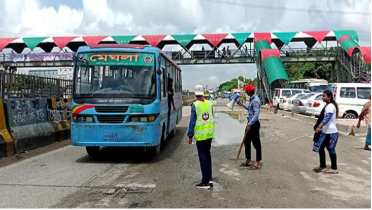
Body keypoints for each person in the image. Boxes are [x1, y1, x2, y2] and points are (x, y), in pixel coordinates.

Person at [187, 84, 214, 189]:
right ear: (203, 92)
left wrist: (190, 135)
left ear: (195, 93)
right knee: (208, 155)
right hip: (209, 134)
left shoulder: (195, 105)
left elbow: (192, 121)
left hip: (201, 136)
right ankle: (209, 178)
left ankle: (205, 182)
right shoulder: (209, 103)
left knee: (203, 157)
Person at [313, 90, 339, 174]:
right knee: (320, 148)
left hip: (331, 132)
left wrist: (319, 126)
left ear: (329, 97)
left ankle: (334, 168)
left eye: (324, 96)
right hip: (326, 131)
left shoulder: (330, 106)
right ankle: (322, 165)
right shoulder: (328, 105)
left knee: (331, 149)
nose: (322, 97)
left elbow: (327, 117)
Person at [237, 84, 261, 170]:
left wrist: (249, 124)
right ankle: (249, 160)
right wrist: (242, 104)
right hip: (250, 123)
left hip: (253, 124)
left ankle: (257, 162)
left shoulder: (255, 101)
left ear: (249, 92)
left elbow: (256, 115)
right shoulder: (252, 99)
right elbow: (250, 109)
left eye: (246, 91)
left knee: (256, 144)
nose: (246, 92)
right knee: (247, 142)